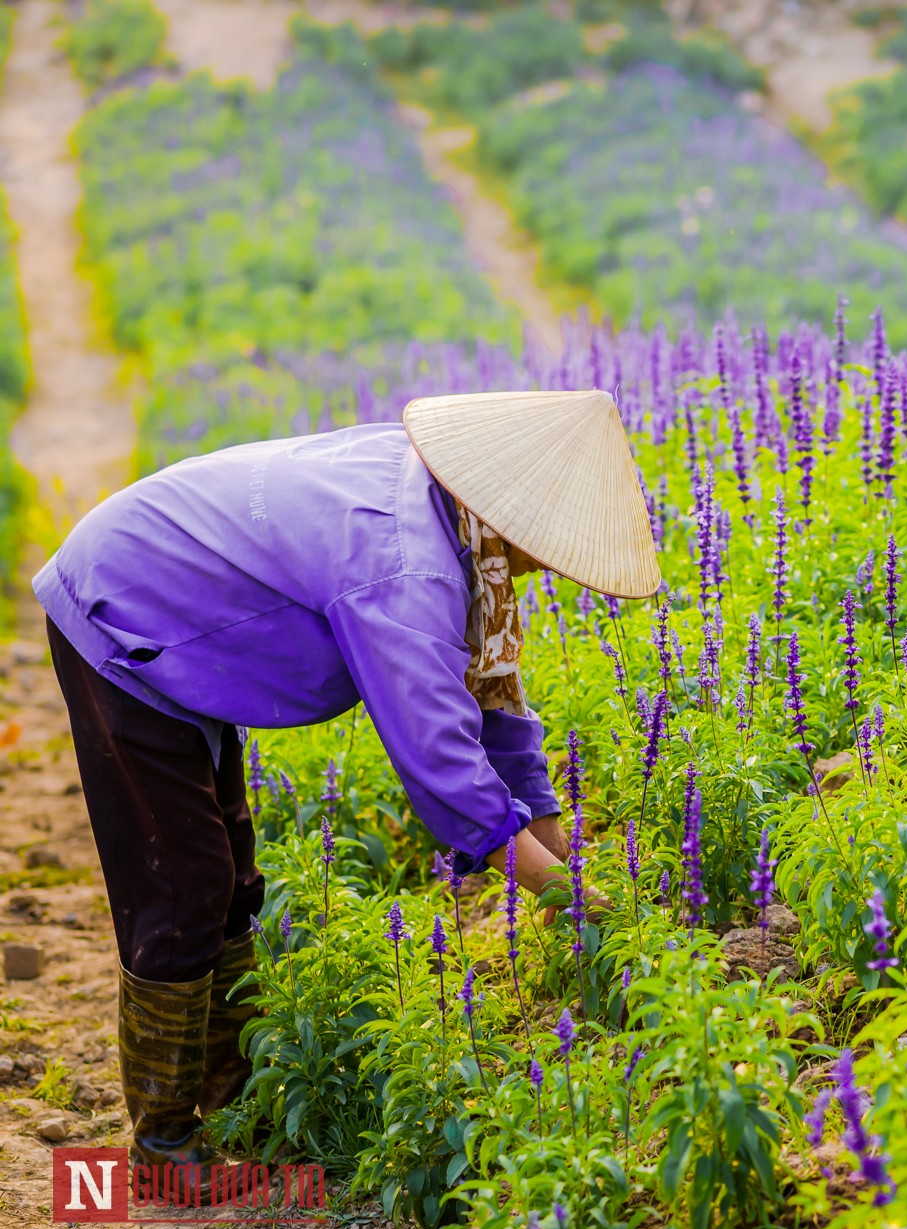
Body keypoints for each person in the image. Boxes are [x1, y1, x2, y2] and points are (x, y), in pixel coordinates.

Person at [34, 389, 660, 1174]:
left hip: (190, 626)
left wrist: (565, 852)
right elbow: (443, 765)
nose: (547, 564)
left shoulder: (452, 518)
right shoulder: (407, 563)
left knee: (232, 878)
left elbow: (495, 709)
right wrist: (570, 900)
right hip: (125, 609)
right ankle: (162, 1145)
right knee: (181, 883)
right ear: (516, 518)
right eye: (550, 545)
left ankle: (234, 1102)